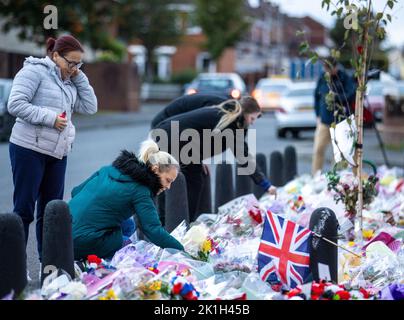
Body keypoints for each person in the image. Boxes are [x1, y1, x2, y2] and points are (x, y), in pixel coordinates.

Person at [7, 35, 97, 260]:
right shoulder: (33, 71)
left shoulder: (70, 81)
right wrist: (49, 117)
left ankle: (48, 265)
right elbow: (15, 104)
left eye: (79, 64)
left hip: (57, 153)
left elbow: (91, 107)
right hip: (28, 149)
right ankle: (15, 266)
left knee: (50, 212)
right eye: (71, 62)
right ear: (55, 55)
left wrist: (79, 76)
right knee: (24, 210)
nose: (74, 68)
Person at [152, 95, 277, 223]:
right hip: (170, 136)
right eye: (252, 118)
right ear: (244, 113)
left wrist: (198, 158)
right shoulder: (230, 124)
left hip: (173, 136)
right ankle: (175, 224)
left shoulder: (224, 113)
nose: (252, 122)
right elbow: (244, 158)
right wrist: (266, 185)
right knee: (183, 179)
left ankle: (177, 222)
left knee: (191, 177)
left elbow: (198, 134)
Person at [69, 139, 184, 259]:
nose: (168, 187)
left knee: (128, 225)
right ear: (155, 170)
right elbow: (153, 230)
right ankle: (104, 264)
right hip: (80, 242)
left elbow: (75, 191)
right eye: (168, 180)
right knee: (128, 246)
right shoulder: (141, 191)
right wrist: (182, 251)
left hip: (63, 229)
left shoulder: (108, 170)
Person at [312, 57, 356, 176]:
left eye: (330, 69)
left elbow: (351, 95)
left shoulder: (344, 78)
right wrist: (317, 114)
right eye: (326, 69)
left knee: (338, 154)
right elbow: (316, 96)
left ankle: (335, 177)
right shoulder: (322, 78)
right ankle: (316, 176)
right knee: (318, 149)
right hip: (324, 121)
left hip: (340, 121)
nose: (328, 72)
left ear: (336, 67)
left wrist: (337, 97)